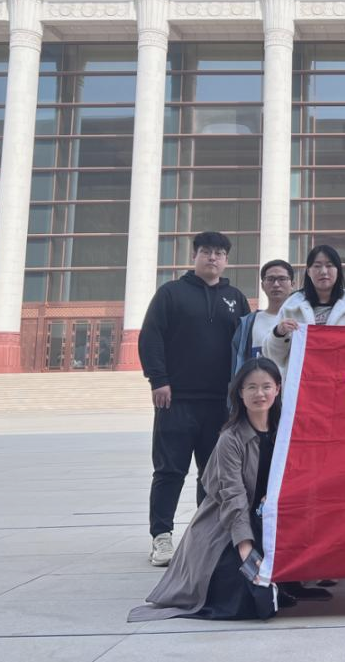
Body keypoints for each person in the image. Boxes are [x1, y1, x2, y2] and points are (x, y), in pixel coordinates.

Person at [129, 358, 327, 622]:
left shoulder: (285, 432)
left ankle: (289, 582)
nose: (259, 394)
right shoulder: (230, 439)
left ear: (278, 389)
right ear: (240, 393)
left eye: (266, 386)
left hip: (269, 521)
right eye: (251, 387)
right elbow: (233, 498)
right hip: (228, 527)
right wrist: (245, 548)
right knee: (245, 600)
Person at [139, 231, 251, 567]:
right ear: (194, 256)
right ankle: (161, 536)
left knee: (213, 475)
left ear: (226, 260)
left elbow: (244, 347)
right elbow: (151, 336)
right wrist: (159, 380)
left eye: (219, 253)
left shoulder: (235, 298)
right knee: (169, 471)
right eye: (206, 252)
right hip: (176, 400)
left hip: (220, 403)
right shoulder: (171, 293)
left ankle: (206, 537)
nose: (212, 258)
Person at [263, 244, 345, 374]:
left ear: (338, 270)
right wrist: (279, 333)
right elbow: (274, 358)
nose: (323, 271)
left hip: (343, 380)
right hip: (302, 381)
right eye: (317, 266)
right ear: (308, 271)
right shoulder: (291, 306)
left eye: (329, 265)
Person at [232, 259, 295, 373]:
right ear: (262, 285)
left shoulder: (301, 320)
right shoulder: (248, 323)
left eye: (282, 279)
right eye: (270, 279)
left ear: (292, 284)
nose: (276, 284)